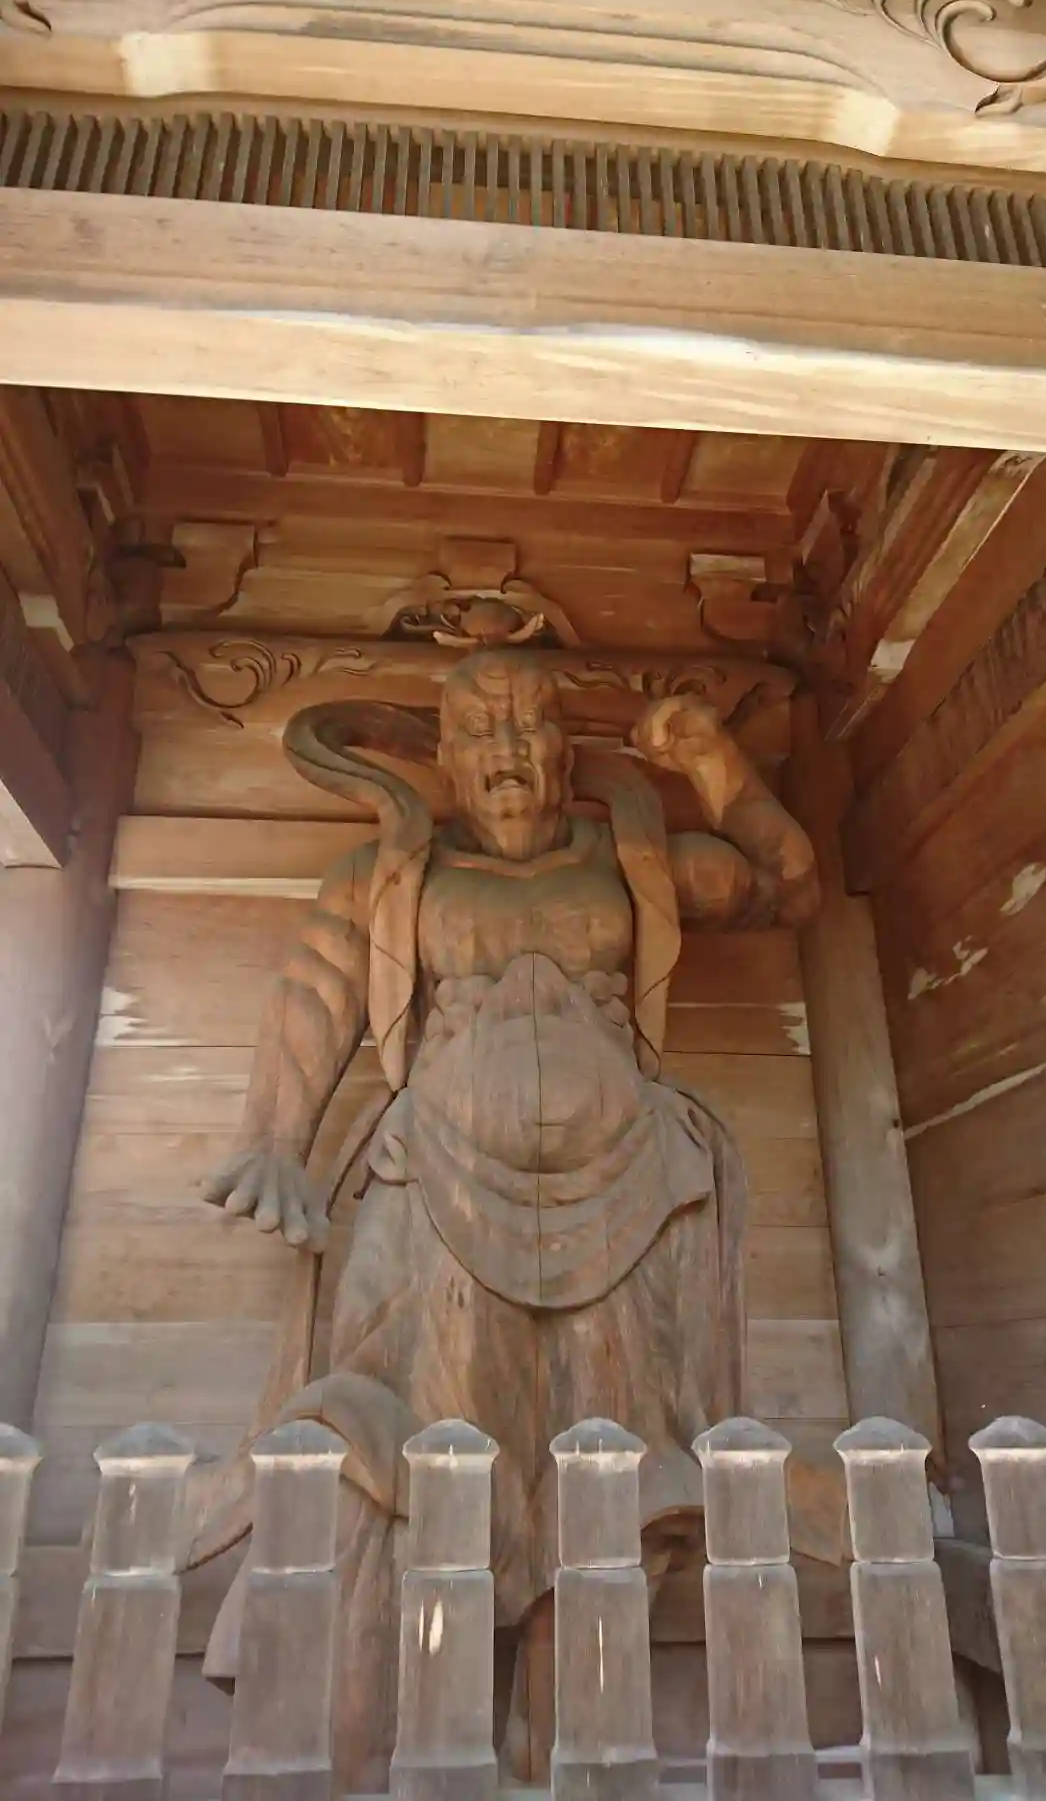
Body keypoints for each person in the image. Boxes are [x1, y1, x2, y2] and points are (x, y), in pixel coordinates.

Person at [196, 649, 819, 1788]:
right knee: (406, 1450)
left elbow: (787, 883)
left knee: (607, 1458)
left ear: (568, 751)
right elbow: (318, 986)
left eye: (531, 724)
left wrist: (711, 761)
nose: (510, 750)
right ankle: (397, 1743)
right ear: (444, 758)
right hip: (432, 1186)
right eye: (481, 731)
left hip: (630, 1197)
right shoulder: (392, 873)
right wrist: (275, 1138)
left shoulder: (628, 859)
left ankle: (574, 1741)